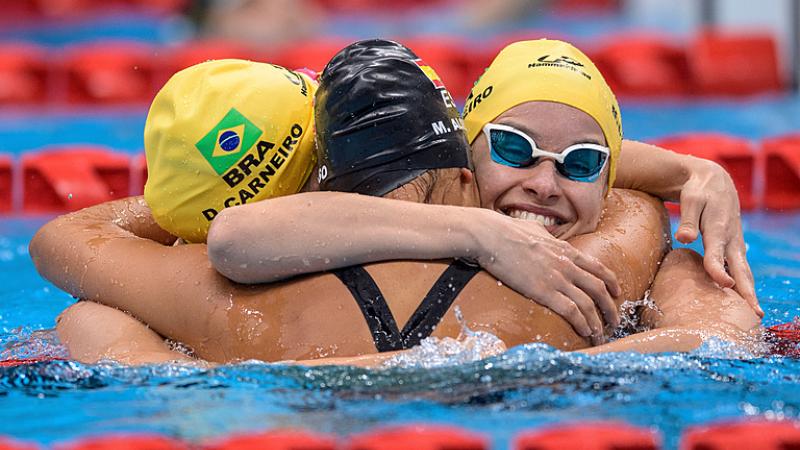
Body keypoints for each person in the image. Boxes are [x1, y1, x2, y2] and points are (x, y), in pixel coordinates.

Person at [31, 39, 759, 366]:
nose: (541, 184)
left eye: (579, 164)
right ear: (466, 159)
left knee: (87, 323)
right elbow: (724, 339)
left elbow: (71, 243)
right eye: (507, 149)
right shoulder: (617, 247)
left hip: (271, 407)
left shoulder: (228, 309)